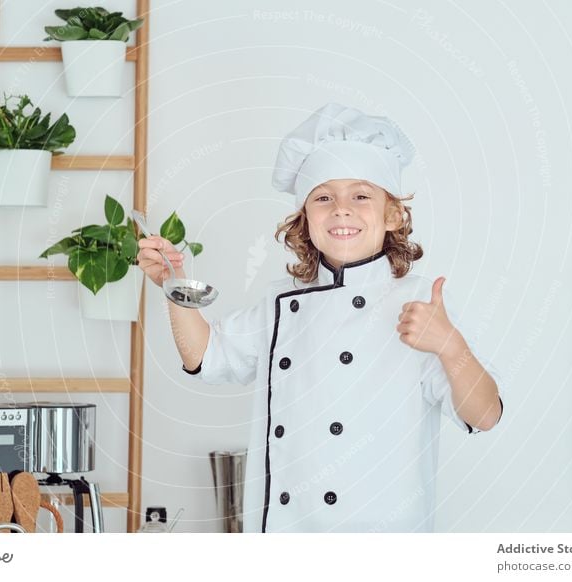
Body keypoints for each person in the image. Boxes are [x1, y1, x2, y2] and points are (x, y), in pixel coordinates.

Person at [137, 102, 504, 533]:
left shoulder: (419, 302)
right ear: (305, 218)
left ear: (391, 214)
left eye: (361, 195)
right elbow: (207, 357)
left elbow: (485, 415)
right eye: (323, 197)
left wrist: (449, 345)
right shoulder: (280, 302)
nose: (341, 209)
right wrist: (173, 285)